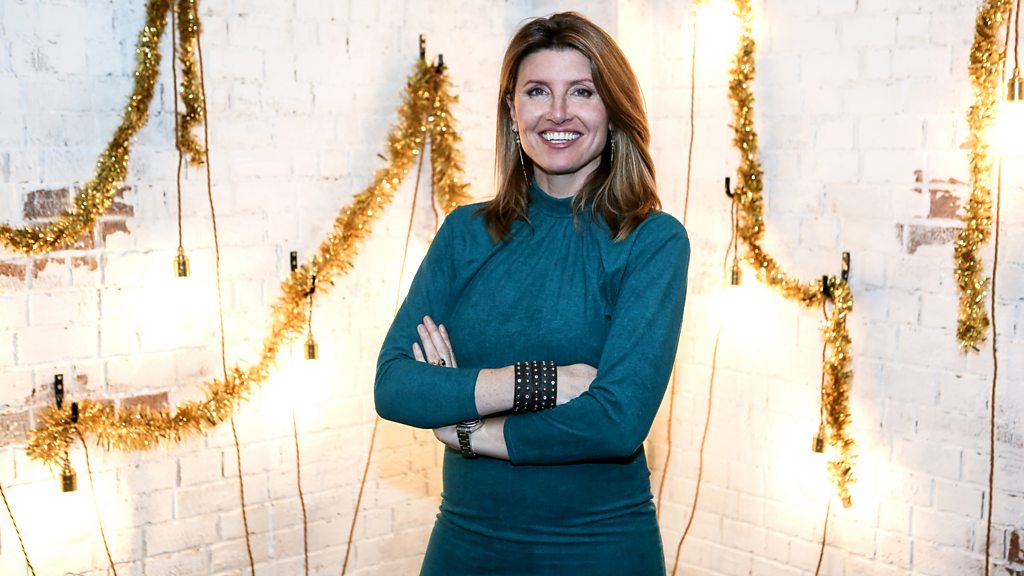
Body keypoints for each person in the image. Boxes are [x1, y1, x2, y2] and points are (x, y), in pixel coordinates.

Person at [375, 11, 689, 575]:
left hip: (596, 549)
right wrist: (540, 382)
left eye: (582, 91)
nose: (558, 112)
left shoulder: (651, 241)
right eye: (537, 91)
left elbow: (616, 421)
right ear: (512, 110)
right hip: (465, 545)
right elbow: (395, 385)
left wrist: (468, 429)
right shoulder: (465, 233)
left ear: (613, 110)